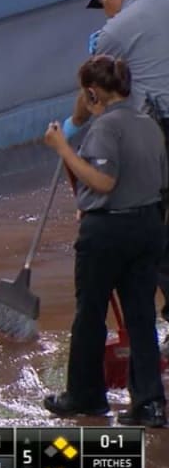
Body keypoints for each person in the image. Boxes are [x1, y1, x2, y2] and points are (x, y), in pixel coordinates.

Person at [42, 55, 167, 428]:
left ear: (93, 93)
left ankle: (85, 395)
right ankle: (149, 402)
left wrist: (63, 148)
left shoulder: (103, 129)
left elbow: (103, 182)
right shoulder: (150, 125)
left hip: (108, 232)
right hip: (149, 226)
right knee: (141, 315)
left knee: (91, 313)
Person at [64, 0, 169, 322]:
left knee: (156, 229)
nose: (105, 13)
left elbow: (95, 92)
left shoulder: (115, 31)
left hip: (154, 137)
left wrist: (72, 125)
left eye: (103, 2)